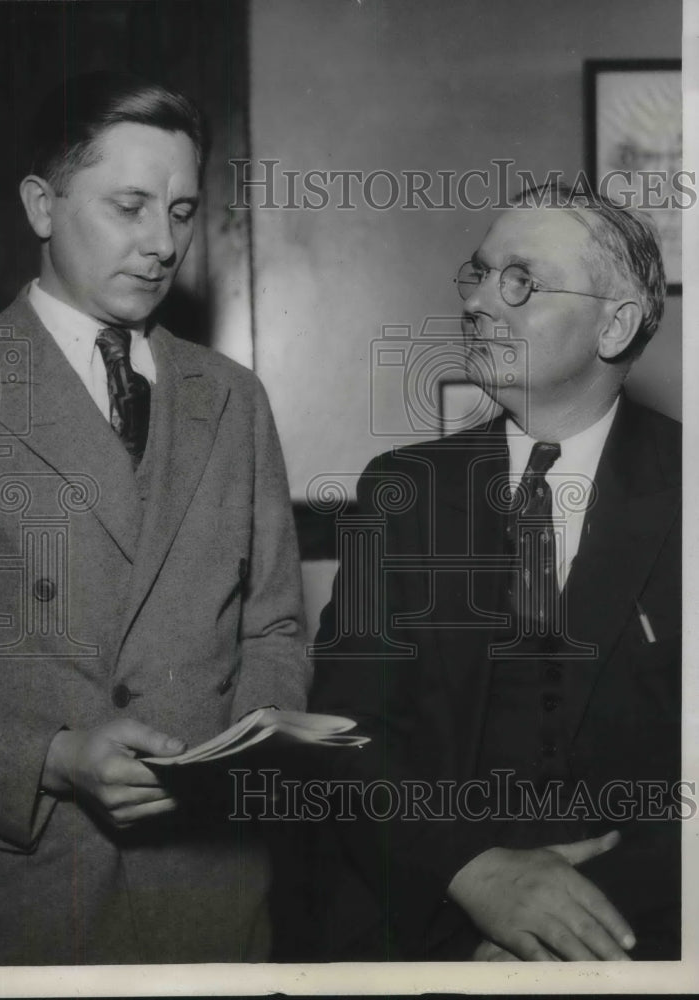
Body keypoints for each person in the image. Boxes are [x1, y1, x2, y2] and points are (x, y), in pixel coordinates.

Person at [0, 71, 310, 965]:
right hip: (25, 896)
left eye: (182, 211)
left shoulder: (234, 399)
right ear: (42, 206)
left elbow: (275, 623)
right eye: (129, 206)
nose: (162, 244)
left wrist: (233, 764)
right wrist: (47, 758)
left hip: (211, 898)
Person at [310, 185, 680, 962]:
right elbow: (344, 733)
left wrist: (565, 928)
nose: (479, 301)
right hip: (424, 933)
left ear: (614, 324)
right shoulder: (402, 489)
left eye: (520, 280)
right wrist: (472, 879)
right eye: (478, 273)